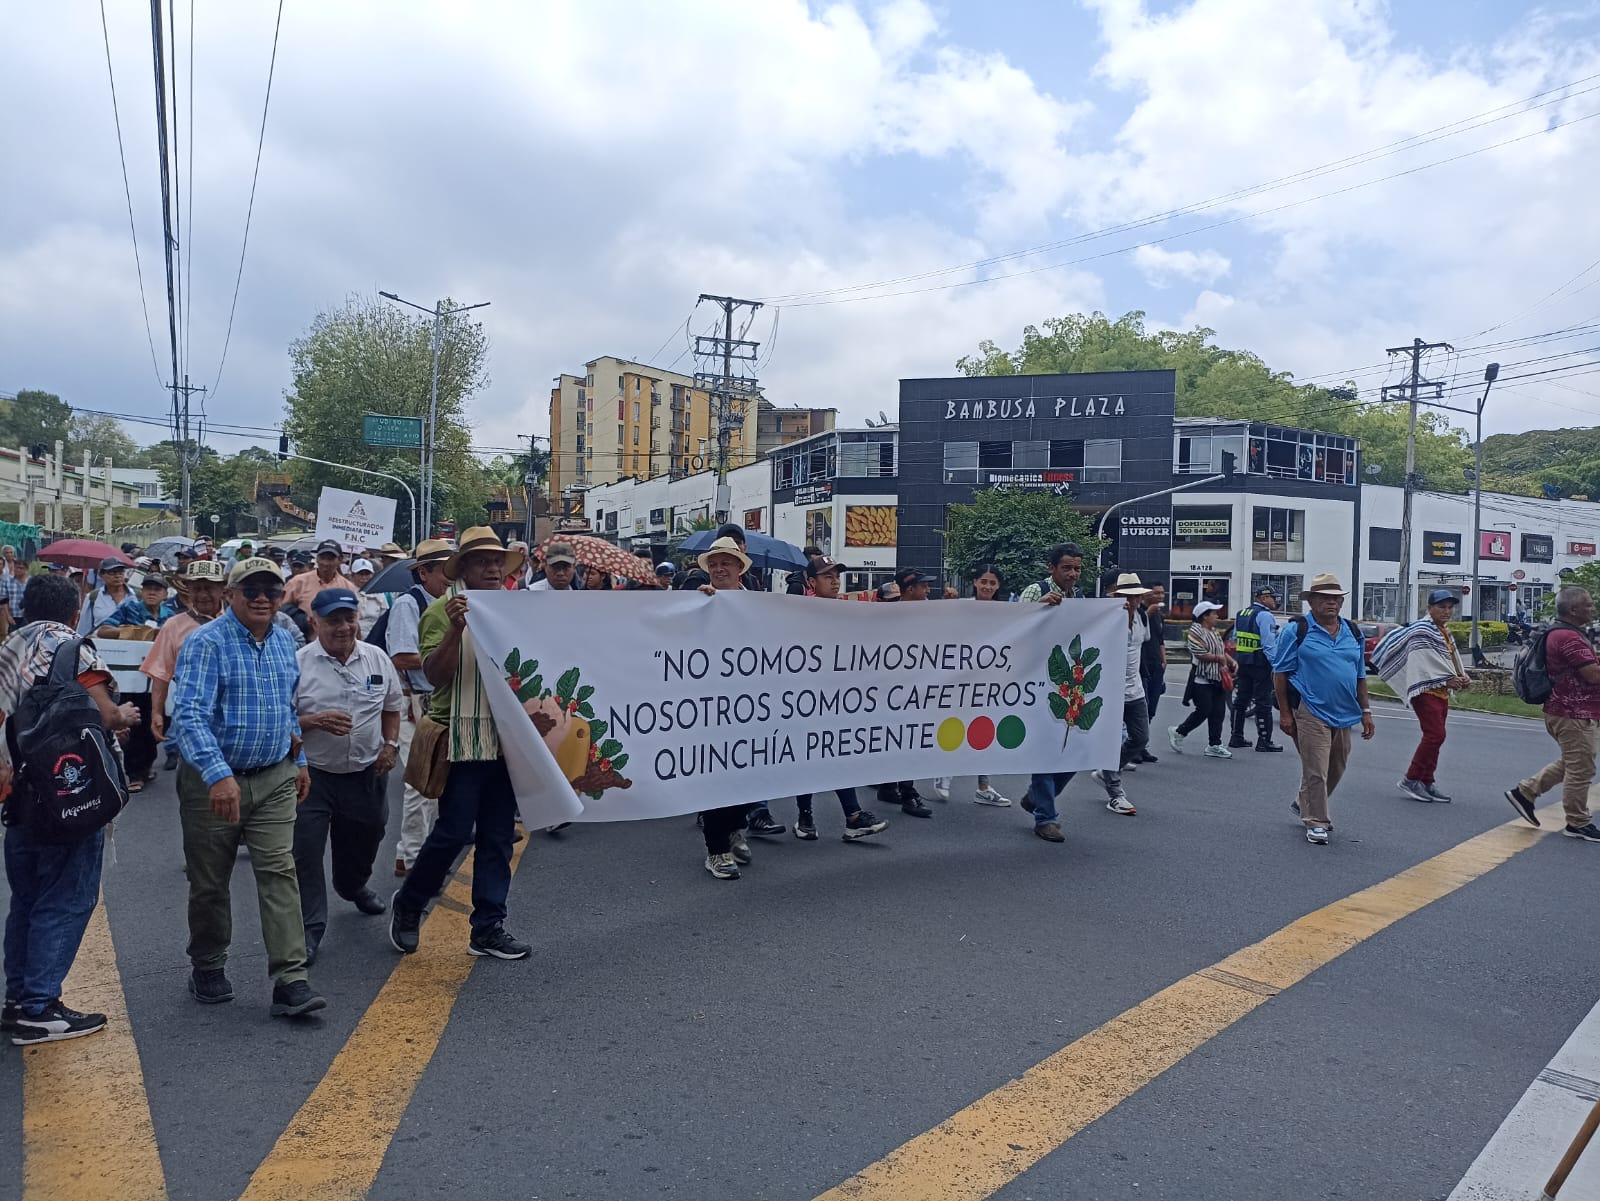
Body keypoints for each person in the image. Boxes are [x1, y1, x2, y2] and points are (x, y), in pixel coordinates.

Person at [171, 556, 325, 1018]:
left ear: (282, 598)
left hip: (274, 776)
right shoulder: (205, 643)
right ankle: (209, 963)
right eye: (251, 590)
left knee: (280, 872)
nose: (262, 599)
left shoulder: (284, 639)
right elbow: (190, 716)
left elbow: (286, 707)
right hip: (212, 781)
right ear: (230, 595)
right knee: (210, 883)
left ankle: (291, 980)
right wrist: (218, 775)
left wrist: (298, 759)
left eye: (271, 592)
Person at [0, 573, 141, 1043]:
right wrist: (125, 716)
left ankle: (20, 998)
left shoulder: (8, 646)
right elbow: (103, 713)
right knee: (67, 897)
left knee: (28, 898)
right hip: (65, 793)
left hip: (16, 795)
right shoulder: (71, 647)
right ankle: (39, 1006)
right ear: (75, 610)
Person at [389, 528, 532, 958]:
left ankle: (488, 927)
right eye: (481, 561)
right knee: (452, 832)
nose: (491, 568)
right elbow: (434, 675)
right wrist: (454, 629)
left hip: (507, 738)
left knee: (498, 836)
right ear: (464, 569)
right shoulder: (438, 611)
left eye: (496, 562)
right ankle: (410, 904)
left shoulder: (517, 611)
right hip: (462, 737)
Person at [293, 589, 403, 965]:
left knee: (370, 833)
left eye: (348, 619)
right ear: (315, 623)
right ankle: (309, 929)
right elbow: (280, 721)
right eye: (332, 621)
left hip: (367, 773)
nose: (343, 628)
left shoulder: (376, 658)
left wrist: (391, 745)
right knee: (304, 852)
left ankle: (352, 885)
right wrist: (313, 721)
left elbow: (392, 708)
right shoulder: (298, 665)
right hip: (314, 776)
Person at [786, 556, 889, 842]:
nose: (834, 580)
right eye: (826, 575)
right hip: (806, 697)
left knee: (837, 754)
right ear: (811, 582)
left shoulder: (844, 612)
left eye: (836, 575)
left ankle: (853, 817)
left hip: (836, 698)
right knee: (807, 757)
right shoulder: (796, 613)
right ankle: (805, 815)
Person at [1271, 573, 1375, 846]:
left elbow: (1360, 675)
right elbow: (1280, 673)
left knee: (1337, 766)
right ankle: (1317, 821)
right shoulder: (1297, 629)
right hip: (1309, 708)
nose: (1331, 603)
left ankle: (1302, 802)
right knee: (1316, 768)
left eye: (1335, 598)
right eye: (1324, 598)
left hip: (1344, 710)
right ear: (1312, 601)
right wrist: (1284, 713)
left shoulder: (1352, 631)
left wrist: (1366, 711)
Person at [693, 537, 767, 877]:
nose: (719, 569)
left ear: (740, 568)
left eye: (727, 562)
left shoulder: (760, 605)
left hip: (749, 704)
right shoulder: (698, 601)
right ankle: (716, 849)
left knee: (746, 771)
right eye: (714, 563)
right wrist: (701, 605)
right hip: (710, 706)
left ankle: (736, 827)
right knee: (715, 775)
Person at [1504, 586, 1600, 841]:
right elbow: (1592, 675)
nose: (1592, 608)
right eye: (1589, 605)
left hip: (1573, 711)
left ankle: (1525, 792)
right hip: (1571, 712)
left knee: (1574, 762)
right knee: (1581, 769)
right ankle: (1577, 822)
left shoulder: (1567, 633)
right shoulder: (1568, 637)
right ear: (1573, 610)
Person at [384, 539, 453, 876]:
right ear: (424, 573)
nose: (450, 576)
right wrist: (444, 654)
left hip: (437, 701)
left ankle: (411, 853)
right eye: (443, 570)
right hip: (414, 701)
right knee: (419, 786)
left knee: (436, 784)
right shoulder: (408, 605)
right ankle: (413, 859)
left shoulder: (448, 602)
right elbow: (400, 655)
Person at [1018, 543, 1087, 842]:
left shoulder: (1079, 598)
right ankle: (1046, 817)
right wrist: (1037, 609)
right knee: (1046, 751)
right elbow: (1015, 627)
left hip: (1067, 682)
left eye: (1077, 569)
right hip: (1037, 682)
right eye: (1066, 568)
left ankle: (1036, 797)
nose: (1072, 574)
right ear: (1051, 568)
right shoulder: (1036, 590)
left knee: (1076, 749)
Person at [1377, 589, 1471, 803]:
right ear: (1429, 608)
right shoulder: (1422, 630)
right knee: (1435, 735)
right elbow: (1421, 665)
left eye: (1450, 607)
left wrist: (1462, 676)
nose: (1447, 611)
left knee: (1437, 736)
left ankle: (1427, 781)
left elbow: (1449, 659)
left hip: (1440, 692)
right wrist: (1446, 680)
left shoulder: (1442, 630)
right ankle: (1411, 779)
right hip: (1425, 691)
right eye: (1441, 607)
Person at [934, 564, 1012, 807]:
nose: (988, 587)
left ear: (998, 586)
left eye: (992, 583)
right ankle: (944, 774)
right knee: (956, 725)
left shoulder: (1009, 613)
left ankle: (983, 787)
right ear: (975, 583)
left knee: (985, 731)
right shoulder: (962, 606)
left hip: (991, 683)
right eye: (984, 581)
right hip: (963, 679)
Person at [144, 560, 228, 773]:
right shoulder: (174, 626)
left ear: (222, 590)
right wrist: (156, 713)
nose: (203, 594)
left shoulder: (236, 623)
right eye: (196, 588)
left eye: (209, 587)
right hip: (192, 718)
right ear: (187, 590)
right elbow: (161, 673)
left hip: (233, 716)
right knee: (196, 784)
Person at [1085, 574, 1150, 814]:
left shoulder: (1143, 617)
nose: (1131, 601)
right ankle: (1115, 793)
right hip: (1110, 690)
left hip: (1135, 689)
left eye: (1135, 597)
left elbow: (1143, 647)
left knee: (1141, 738)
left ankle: (1107, 772)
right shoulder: (1107, 618)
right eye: (1126, 596)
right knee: (1110, 744)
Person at [875, 569, 935, 819]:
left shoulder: (929, 614)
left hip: (913, 688)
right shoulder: (890, 618)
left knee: (900, 738)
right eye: (923, 586)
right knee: (903, 739)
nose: (928, 591)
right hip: (895, 689)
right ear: (910, 589)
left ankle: (889, 786)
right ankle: (908, 794)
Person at [1168, 601, 1237, 758]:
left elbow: (1221, 650)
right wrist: (1219, 658)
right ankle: (1179, 731)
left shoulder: (1213, 632)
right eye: (1213, 613)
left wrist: (1231, 661)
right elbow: (1199, 653)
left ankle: (1214, 744)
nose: (1217, 616)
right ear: (1205, 616)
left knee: (1218, 712)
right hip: (1202, 679)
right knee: (1204, 710)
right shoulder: (1195, 632)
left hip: (1218, 677)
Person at [1229, 585, 1284, 752]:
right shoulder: (1265, 615)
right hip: (1260, 663)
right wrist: (1276, 665)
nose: (1275, 601)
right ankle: (1264, 740)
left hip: (1243, 661)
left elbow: (1234, 637)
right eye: (1273, 597)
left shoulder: (1241, 614)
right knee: (1263, 702)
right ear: (1264, 598)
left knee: (1241, 701)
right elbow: (1268, 644)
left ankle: (1236, 736)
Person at [283, 541, 357, 612]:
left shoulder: (348, 587)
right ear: (317, 558)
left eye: (330, 559)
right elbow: (281, 608)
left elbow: (353, 618)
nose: (325, 563)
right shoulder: (298, 582)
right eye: (322, 558)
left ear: (340, 560)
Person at [1139, 585, 1167, 751]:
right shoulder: (1140, 613)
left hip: (1157, 665)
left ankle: (1143, 746)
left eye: (1162, 593)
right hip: (1143, 665)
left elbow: (1160, 639)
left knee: (1152, 707)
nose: (1160, 596)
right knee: (1143, 706)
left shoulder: (1159, 616)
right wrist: (1148, 613)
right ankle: (1136, 746)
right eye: (1156, 593)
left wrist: (1164, 659)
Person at [103, 573, 179, 631]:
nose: (152, 593)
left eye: (157, 589)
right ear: (142, 591)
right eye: (148, 589)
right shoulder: (129, 608)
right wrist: (131, 632)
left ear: (165, 595)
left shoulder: (170, 615)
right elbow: (103, 630)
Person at [77, 557, 132, 634]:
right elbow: (84, 629)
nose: (117, 576)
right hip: (100, 643)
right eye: (112, 573)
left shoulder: (136, 596)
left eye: (121, 572)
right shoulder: (93, 597)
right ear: (101, 575)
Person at [0, 554, 27, 635]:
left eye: (21, 568)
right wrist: (8, 616)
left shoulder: (31, 582)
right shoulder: (7, 581)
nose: (18, 570)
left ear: (26, 569)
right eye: (16, 567)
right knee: (11, 638)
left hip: (26, 617)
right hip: (12, 616)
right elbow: (4, 600)